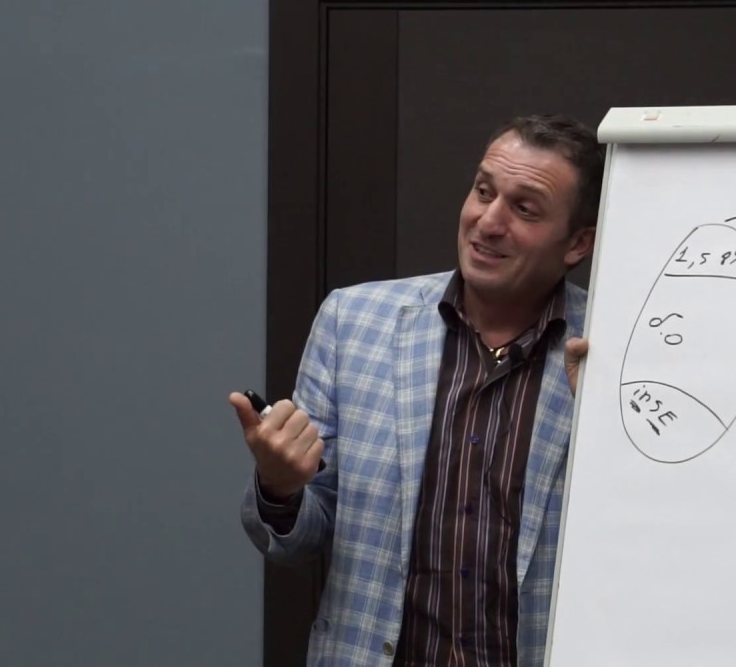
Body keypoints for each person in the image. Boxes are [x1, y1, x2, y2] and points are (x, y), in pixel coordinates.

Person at [231, 114, 601, 667]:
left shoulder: (612, 349)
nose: (488, 222)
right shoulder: (353, 321)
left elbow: (656, 538)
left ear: (577, 243)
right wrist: (280, 488)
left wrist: (605, 435)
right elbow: (300, 538)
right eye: (483, 192)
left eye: (524, 209)